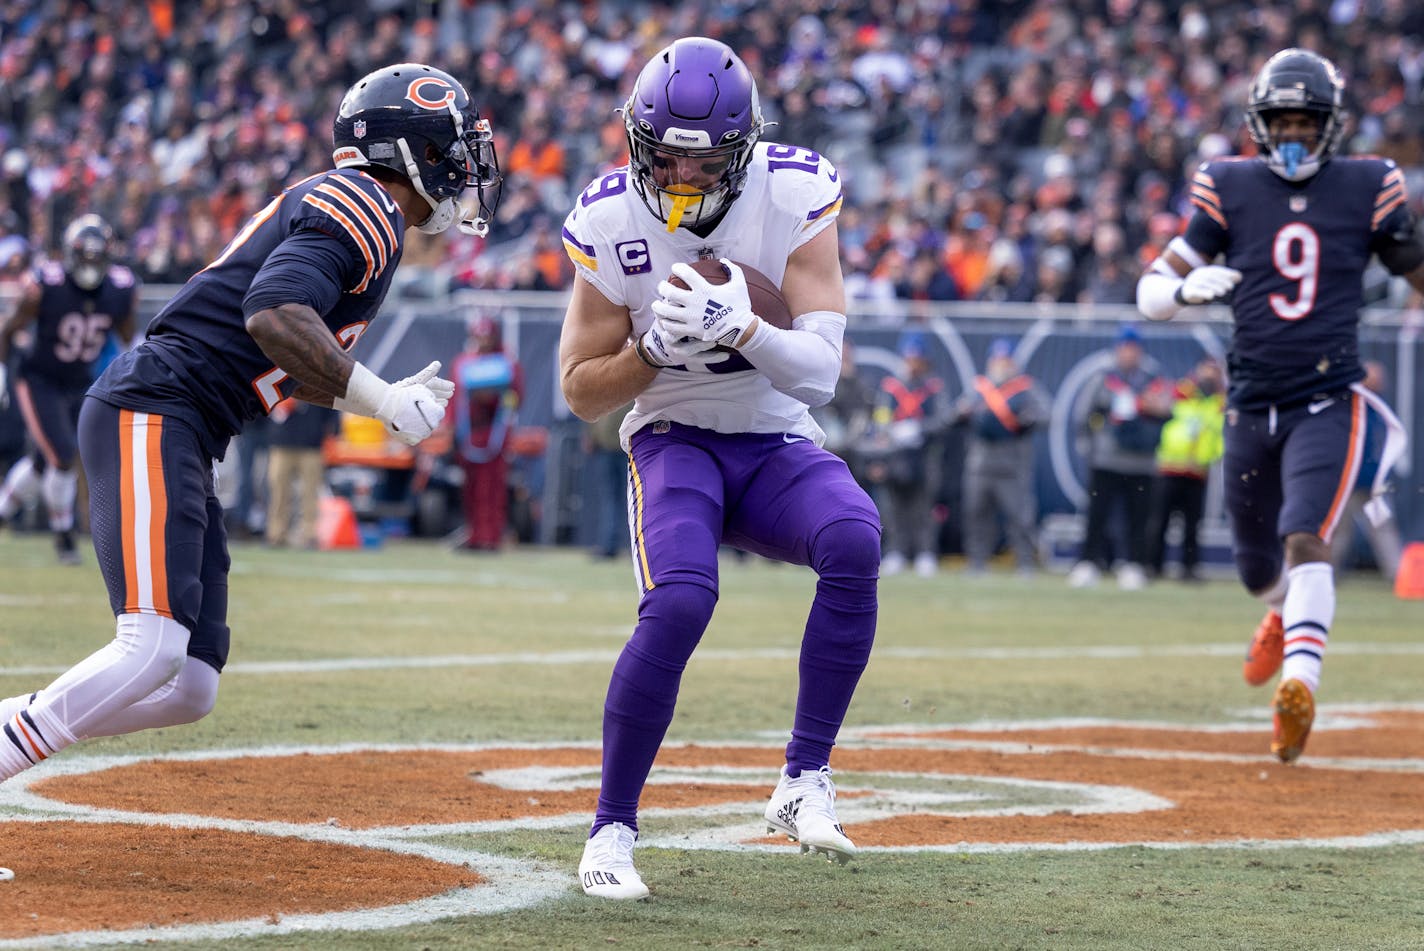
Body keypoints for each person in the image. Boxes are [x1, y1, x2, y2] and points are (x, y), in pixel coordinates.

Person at [0, 63, 501, 786]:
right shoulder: (364, 208)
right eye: (453, 150)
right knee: (152, 645)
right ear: (412, 152)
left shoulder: (364, 212)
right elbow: (272, 314)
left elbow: (285, 361)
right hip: (156, 403)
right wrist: (383, 400)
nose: (462, 169)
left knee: (191, 683)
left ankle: (17, 720)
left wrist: (376, 396)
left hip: (187, 421)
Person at [558, 37, 879, 900]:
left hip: (775, 437)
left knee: (854, 537)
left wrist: (742, 328)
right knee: (682, 598)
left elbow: (820, 372)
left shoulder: (795, 191)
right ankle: (611, 830)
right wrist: (653, 350)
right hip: (674, 438)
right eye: (664, 156)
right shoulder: (609, 217)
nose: (681, 176)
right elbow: (582, 392)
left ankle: (802, 780)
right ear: (636, 140)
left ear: (744, 150)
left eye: (704, 160)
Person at [1136, 49, 1424, 762]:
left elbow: (1415, 267)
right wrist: (1184, 291)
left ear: (1332, 125)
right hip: (1249, 399)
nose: (1293, 133)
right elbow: (1150, 291)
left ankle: (1299, 686)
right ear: (1258, 124)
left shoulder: (1370, 183)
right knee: (1256, 566)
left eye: (1306, 120)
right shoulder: (1227, 184)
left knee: (1306, 535)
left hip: (1327, 396)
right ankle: (1281, 610)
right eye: (1281, 120)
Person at [0, 214, 138, 563]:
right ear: (69, 254)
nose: (90, 266)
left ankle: (3, 511)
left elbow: (127, 336)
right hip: (37, 378)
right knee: (62, 456)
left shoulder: (120, 288)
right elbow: (8, 327)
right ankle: (64, 537)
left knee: (42, 464)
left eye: (97, 258)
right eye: (84, 257)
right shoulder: (46, 283)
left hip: (79, 380)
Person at [1066, 324, 1173, 590]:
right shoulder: (1103, 378)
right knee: (1097, 515)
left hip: (1141, 461)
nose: (1129, 353)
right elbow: (1083, 415)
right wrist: (1088, 450)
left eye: (1133, 348)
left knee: (1138, 517)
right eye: (1124, 348)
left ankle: (1134, 564)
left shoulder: (1152, 378)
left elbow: (1168, 410)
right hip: (1106, 459)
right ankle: (1090, 562)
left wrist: (1153, 407)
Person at [957, 337, 1048, 575]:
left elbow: (1046, 415)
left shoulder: (1025, 389)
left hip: (1012, 463)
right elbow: (955, 413)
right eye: (997, 359)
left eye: (1005, 360)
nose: (1001, 365)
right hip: (981, 462)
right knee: (976, 514)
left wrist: (1029, 418)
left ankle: (1025, 562)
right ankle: (977, 561)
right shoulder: (979, 389)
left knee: (1020, 517)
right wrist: (963, 414)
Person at [864, 331, 951, 577]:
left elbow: (943, 420)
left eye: (917, 358)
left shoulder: (934, 388)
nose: (911, 363)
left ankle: (925, 553)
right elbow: (880, 417)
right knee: (893, 506)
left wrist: (920, 429)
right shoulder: (891, 387)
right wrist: (888, 432)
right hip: (895, 455)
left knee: (924, 507)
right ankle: (896, 552)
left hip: (925, 455)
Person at [1147, 357, 1226, 582]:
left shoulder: (1219, 401)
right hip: (1171, 467)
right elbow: (1155, 406)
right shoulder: (1181, 392)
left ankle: (1189, 568)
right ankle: (1153, 566)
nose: (1209, 377)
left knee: (1192, 525)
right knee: (1160, 521)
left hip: (1198, 470)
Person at [449, 315, 522, 551]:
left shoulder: (506, 364)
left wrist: (495, 398)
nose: (482, 341)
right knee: (470, 489)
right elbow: (454, 400)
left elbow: (515, 398)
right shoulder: (464, 363)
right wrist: (452, 431)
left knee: (492, 488)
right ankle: (474, 533)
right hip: (468, 434)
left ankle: (490, 537)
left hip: (493, 434)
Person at [1329, 360, 1405, 582]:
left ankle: (1399, 575)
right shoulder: (1350, 407)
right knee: (1339, 532)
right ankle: (1325, 575)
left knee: (1382, 529)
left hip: (1371, 480)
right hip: (1348, 478)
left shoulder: (1375, 409)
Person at [264, 398, 337, 549]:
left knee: (310, 492)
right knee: (279, 491)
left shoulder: (318, 379)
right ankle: (277, 533)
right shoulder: (282, 375)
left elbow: (331, 407)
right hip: (282, 441)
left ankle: (309, 534)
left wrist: (331, 432)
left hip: (311, 443)